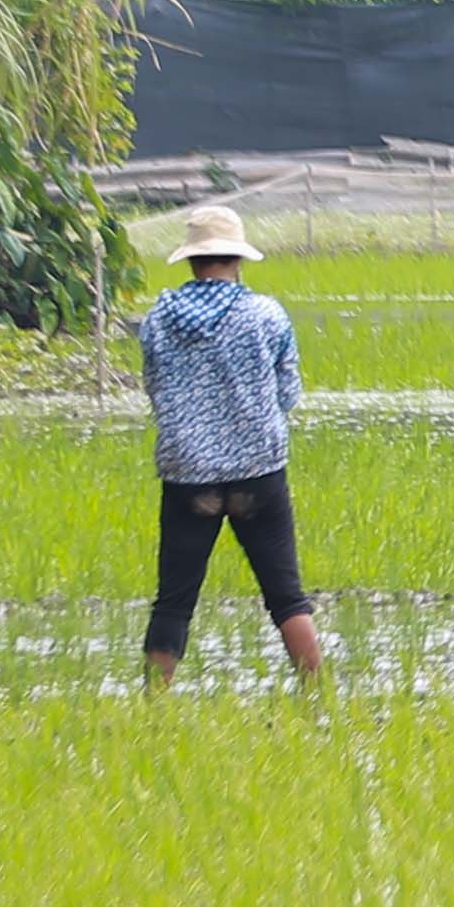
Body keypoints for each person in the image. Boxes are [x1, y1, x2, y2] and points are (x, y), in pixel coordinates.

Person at [136, 202, 326, 691]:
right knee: (285, 596)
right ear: (237, 260)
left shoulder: (159, 319)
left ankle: (153, 706)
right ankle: (317, 696)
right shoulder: (265, 315)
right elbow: (288, 392)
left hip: (188, 474)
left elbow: (154, 387)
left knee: (174, 600)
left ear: (192, 261)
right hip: (257, 470)